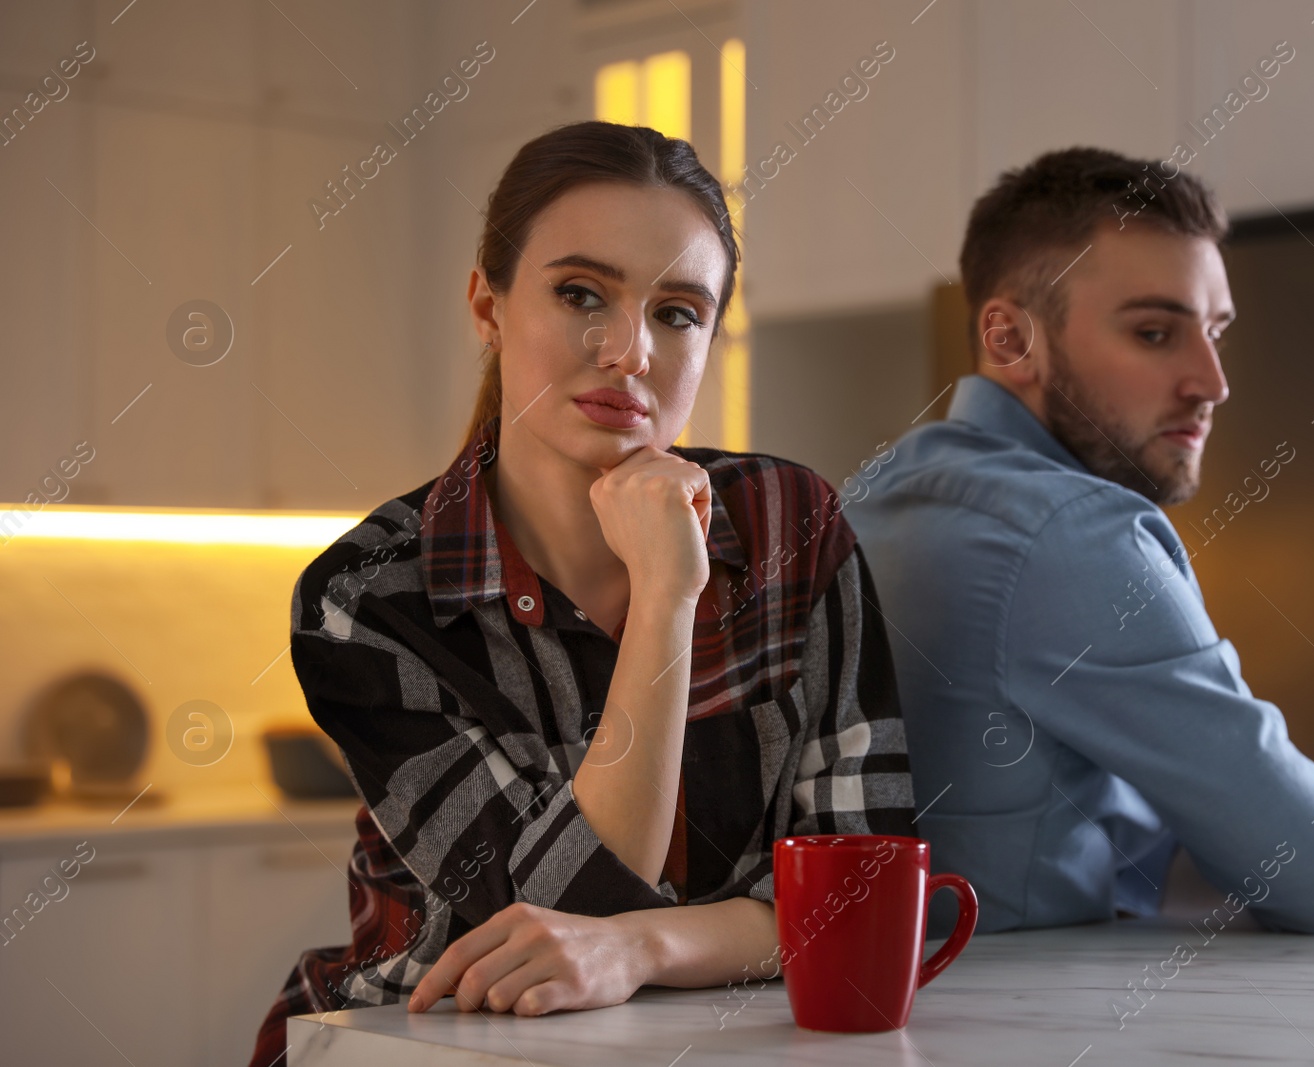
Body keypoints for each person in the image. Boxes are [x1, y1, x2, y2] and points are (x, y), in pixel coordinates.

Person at [248, 121, 915, 1066]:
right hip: (417, 1043)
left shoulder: (789, 522)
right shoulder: (366, 595)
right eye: (579, 295)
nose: (630, 350)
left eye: (678, 311)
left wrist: (646, 944)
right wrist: (668, 595)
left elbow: (868, 896)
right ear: (487, 304)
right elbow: (572, 911)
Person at [849, 147, 1314, 937]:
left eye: (1214, 332)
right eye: (1154, 332)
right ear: (1010, 339)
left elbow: (1057, 810)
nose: (1212, 381)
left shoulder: (866, 492)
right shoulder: (1073, 533)